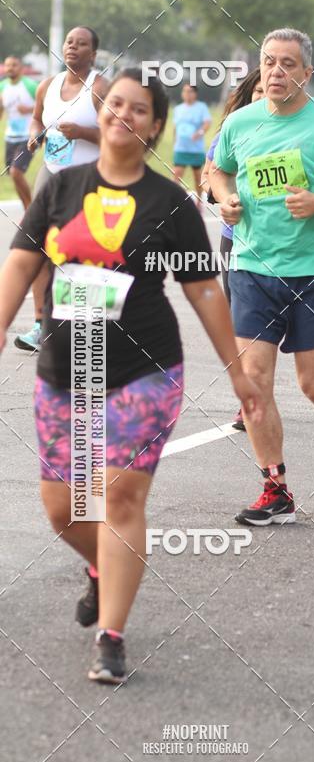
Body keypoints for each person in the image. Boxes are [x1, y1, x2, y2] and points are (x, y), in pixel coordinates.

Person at [0, 68, 262, 683]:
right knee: (64, 506)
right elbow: (17, 269)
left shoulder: (171, 203)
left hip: (145, 365)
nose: (124, 115)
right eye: (114, 103)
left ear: (156, 126)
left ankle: (112, 637)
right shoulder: (60, 188)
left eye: (139, 109)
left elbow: (204, 294)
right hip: (69, 361)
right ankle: (102, 568)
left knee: (117, 494)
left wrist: (237, 372)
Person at [211, 27, 314, 526]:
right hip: (251, 269)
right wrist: (225, 199)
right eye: (269, 62)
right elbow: (215, 171)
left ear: (307, 72)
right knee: (254, 381)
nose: (277, 72)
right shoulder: (240, 123)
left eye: (288, 64)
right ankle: (275, 486)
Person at [15, 26, 107, 353]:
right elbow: (37, 120)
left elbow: (118, 136)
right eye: (70, 42)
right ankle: (42, 324)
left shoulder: (99, 88)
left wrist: (83, 132)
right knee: (37, 246)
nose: (73, 47)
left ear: (93, 54)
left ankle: (87, 326)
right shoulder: (47, 86)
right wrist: (35, 133)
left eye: (82, 44)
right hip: (51, 173)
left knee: (83, 254)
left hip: (88, 179)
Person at [204, 66, 264, 432]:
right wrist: (223, 194)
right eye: (254, 91)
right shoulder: (232, 129)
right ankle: (250, 399)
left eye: (265, 91)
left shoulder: (292, 132)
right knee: (243, 320)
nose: (260, 97)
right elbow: (212, 178)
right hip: (237, 238)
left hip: (290, 244)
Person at [0, 56, 37, 209]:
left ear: (21, 68)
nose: (10, 68)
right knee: (14, 176)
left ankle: (31, 210)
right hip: (10, 137)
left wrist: (28, 109)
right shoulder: (2, 86)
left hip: (28, 137)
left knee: (16, 172)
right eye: (8, 65)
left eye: (14, 65)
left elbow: (47, 107)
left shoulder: (30, 85)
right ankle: (27, 209)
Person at [172, 83, 211, 201]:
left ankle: (199, 202)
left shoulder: (201, 107)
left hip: (196, 149)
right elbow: (175, 127)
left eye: (190, 91)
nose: (187, 94)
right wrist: (175, 141)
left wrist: (199, 133)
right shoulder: (178, 109)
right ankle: (173, 201)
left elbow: (207, 123)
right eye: (184, 91)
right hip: (181, 148)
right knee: (176, 176)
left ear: (195, 94)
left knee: (197, 177)